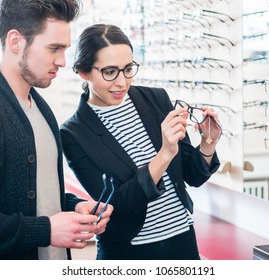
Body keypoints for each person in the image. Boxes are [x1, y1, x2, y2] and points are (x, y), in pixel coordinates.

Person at [0, 0, 113, 260]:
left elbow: (31, 192)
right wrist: (44, 230)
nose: (62, 61)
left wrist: (74, 206)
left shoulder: (39, 106)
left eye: (65, 49)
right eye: (53, 48)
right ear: (15, 41)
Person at [60, 23, 221, 260]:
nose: (122, 82)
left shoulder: (156, 99)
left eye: (127, 69)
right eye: (110, 72)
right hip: (129, 252)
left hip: (183, 242)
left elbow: (192, 176)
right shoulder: (74, 133)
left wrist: (208, 143)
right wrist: (164, 154)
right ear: (83, 72)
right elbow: (118, 204)